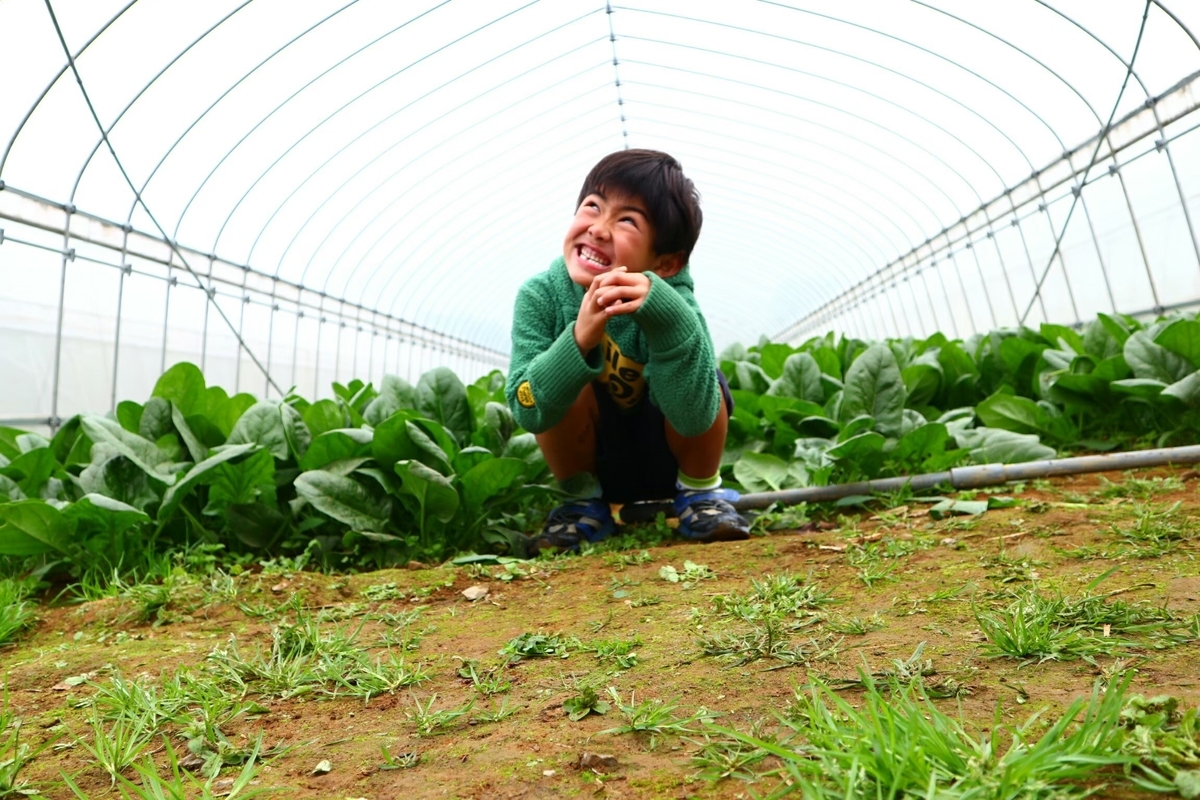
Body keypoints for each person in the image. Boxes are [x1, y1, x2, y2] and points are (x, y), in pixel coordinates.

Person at [506, 149, 749, 552]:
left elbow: (693, 417)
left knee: (708, 377)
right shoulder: (541, 296)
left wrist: (667, 320)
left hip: (671, 458)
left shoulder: (674, 297)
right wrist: (578, 339)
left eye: (626, 221)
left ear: (667, 262)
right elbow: (527, 406)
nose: (599, 229)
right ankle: (581, 504)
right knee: (554, 372)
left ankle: (701, 495)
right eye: (592, 207)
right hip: (598, 462)